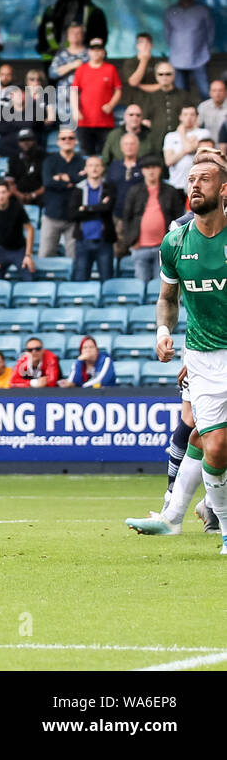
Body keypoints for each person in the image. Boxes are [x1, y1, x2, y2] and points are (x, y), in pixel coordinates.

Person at [128, 150, 227, 547]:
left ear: (223, 189)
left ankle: (179, 514)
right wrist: (163, 331)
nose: (194, 185)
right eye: (190, 179)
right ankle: (214, 524)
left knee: (206, 442)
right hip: (202, 356)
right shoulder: (174, 241)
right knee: (213, 444)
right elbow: (167, 297)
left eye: (203, 178)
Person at [122, 155, 184, 286]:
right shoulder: (134, 191)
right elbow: (126, 218)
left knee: (161, 286)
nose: (151, 171)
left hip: (164, 248)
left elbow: (179, 218)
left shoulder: (170, 191)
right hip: (139, 247)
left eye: (154, 167)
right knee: (140, 284)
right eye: (147, 168)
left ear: (160, 170)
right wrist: (131, 241)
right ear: (142, 171)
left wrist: (173, 244)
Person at [69, 39, 122, 156]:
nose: (96, 52)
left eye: (99, 50)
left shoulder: (110, 69)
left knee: (106, 154)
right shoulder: (82, 69)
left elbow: (118, 90)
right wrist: (75, 110)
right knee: (86, 155)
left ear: (103, 52)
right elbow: (74, 91)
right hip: (84, 121)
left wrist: (111, 105)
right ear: (89, 52)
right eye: (93, 49)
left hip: (105, 121)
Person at [68, 155, 116, 282]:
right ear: (85, 169)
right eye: (90, 165)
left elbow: (108, 209)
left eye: (97, 165)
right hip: (82, 242)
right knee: (80, 279)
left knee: (107, 280)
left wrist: (85, 208)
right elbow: (73, 214)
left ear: (102, 169)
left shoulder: (109, 187)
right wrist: (99, 207)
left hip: (104, 241)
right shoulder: (78, 189)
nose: (94, 168)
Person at [40, 128, 86, 259]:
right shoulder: (50, 161)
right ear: (58, 142)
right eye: (63, 138)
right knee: (45, 255)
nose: (67, 141)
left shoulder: (81, 161)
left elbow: (83, 183)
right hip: (52, 216)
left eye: (71, 138)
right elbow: (48, 182)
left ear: (76, 141)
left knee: (73, 258)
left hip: (73, 217)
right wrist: (70, 182)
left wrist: (61, 177)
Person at [164, 0, 215, 99]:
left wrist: (207, 48)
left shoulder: (202, 10)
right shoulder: (171, 11)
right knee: (181, 93)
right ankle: (185, 115)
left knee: (205, 90)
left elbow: (210, 31)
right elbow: (167, 34)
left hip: (199, 56)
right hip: (177, 59)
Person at [0, 178, 35, 280]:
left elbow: (30, 229)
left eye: (3, 192)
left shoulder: (17, 207)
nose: (1, 196)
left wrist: (28, 255)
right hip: (2, 250)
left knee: (29, 276)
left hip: (19, 250)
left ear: (8, 193)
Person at [164, 104, 212, 192]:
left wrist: (182, 134)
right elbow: (169, 161)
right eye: (185, 114)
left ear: (196, 117)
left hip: (198, 186)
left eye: (192, 114)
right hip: (176, 184)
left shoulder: (203, 133)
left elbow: (190, 149)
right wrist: (187, 147)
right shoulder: (170, 136)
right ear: (180, 117)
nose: (188, 117)